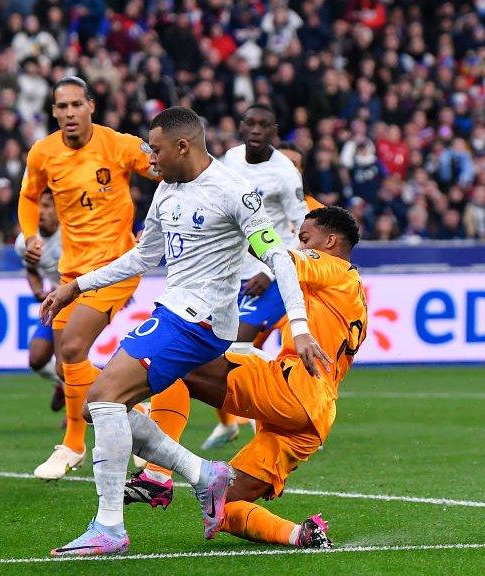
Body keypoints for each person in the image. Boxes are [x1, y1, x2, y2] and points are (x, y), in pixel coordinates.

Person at [40, 106, 330, 557]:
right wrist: (78, 285)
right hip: (175, 311)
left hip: (201, 320)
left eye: (155, 149)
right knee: (106, 406)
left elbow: (278, 258)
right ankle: (203, 475)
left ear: (183, 146)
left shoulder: (234, 192)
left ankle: (110, 527)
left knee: (102, 398)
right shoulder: (167, 190)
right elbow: (142, 257)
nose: (150, 159)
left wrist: (299, 325)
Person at [129, 206, 365, 549]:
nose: (300, 246)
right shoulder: (354, 290)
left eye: (305, 239)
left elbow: (273, 255)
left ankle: (156, 473)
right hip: (315, 417)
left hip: (293, 387)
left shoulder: (331, 266)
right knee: (224, 504)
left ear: (330, 241)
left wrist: (229, 220)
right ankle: (301, 535)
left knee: (180, 360)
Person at [18, 76, 151, 480]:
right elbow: (27, 196)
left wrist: (157, 227)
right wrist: (30, 235)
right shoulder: (43, 153)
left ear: (91, 105)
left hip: (116, 267)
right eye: (62, 107)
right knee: (64, 366)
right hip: (71, 273)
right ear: (54, 112)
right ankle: (138, 411)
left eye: (77, 105)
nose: (70, 113)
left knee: (73, 346)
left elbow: (168, 173)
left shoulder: (120, 145)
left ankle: (73, 445)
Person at [200, 104, 307, 450]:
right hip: (232, 274)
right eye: (251, 123)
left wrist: (267, 268)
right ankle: (241, 418)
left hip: (270, 275)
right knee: (214, 350)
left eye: (264, 124)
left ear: (274, 130)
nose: (257, 130)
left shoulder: (285, 173)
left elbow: (299, 229)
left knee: (239, 346)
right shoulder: (229, 160)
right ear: (241, 126)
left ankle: (298, 396)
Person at [13, 189, 65, 411]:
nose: (40, 212)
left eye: (47, 206)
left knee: (69, 360)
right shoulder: (26, 241)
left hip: (83, 299)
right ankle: (65, 386)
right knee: (36, 359)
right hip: (57, 298)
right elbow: (31, 269)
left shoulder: (72, 233)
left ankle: (77, 416)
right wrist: (37, 291)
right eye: (37, 206)